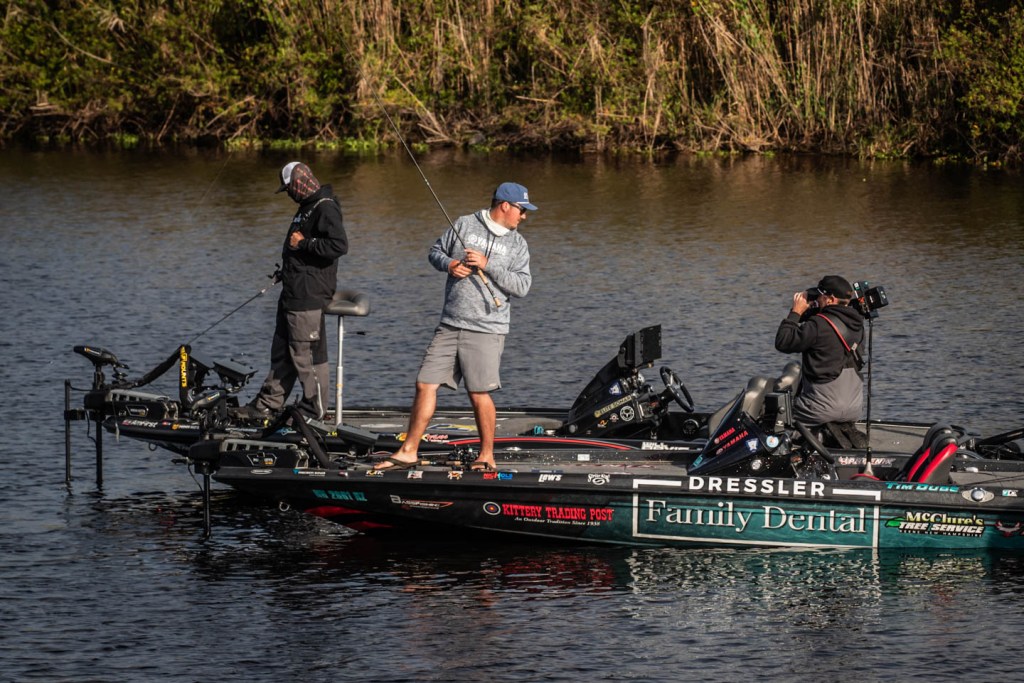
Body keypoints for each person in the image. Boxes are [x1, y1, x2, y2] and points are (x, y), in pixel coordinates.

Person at [373, 182, 536, 472]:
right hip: (450, 323)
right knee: (424, 383)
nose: (523, 216)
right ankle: (409, 451)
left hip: (487, 328)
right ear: (505, 205)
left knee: (478, 393)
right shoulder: (464, 224)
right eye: (521, 210)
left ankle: (487, 456)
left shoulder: (517, 244)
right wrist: (449, 264)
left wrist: (488, 264)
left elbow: (522, 286)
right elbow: (435, 252)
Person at [243, 161, 349, 421]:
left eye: (289, 188)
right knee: (283, 351)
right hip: (293, 291)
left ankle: (315, 409)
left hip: (308, 295)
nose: (288, 194)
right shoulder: (307, 207)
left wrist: (304, 244)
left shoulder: (325, 207)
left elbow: (338, 246)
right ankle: (267, 404)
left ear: (300, 183)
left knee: (306, 355)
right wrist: (288, 269)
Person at [774, 275, 865, 430]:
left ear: (830, 299)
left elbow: (783, 341)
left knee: (774, 415)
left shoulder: (818, 325)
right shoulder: (858, 325)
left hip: (820, 408)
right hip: (853, 408)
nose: (817, 299)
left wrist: (796, 312)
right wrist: (814, 310)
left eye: (820, 297)